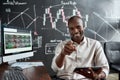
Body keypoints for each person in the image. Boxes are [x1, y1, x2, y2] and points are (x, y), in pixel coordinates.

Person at [51, 15, 109, 80]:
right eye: (71, 28)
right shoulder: (61, 46)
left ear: (83, 27)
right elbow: (55, 68)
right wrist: (62, 54)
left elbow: (104, 68)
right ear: (69, 30)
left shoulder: (95, 45)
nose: (75, 31)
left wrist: (98, 76)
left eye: (78, 27)